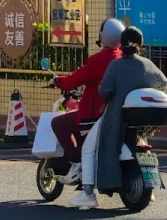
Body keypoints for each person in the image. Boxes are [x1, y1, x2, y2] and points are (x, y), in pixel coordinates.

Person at [68, 24, 167, 210]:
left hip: (115, 117)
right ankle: (148, 187)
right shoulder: (147, 65)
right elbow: (163, 82)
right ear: (140, 44)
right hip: (139, 120)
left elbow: (104, 90)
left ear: (121, 44)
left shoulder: (116, 65)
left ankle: (88, 193)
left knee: (89, 147)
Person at [51, 19, 123, 183]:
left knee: (58, 123)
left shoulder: (97, 60)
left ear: (103, 36)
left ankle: (77, 163)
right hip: (116, 113)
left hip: (94, 114)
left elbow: (74, 80)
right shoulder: (123, 58)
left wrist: (57, 81)